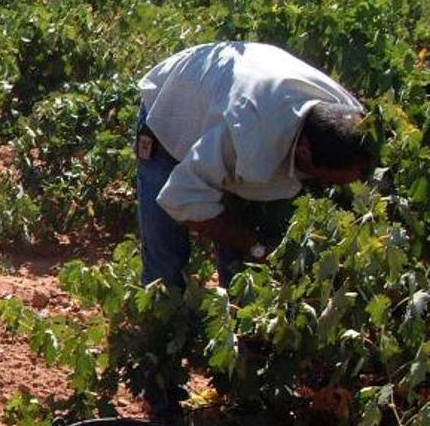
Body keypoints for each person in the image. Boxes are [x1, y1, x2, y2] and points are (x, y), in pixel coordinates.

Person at [136, 41, 375, 291]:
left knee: (242, 223)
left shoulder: (349, 116)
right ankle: (161, 311)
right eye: (331, 180)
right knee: (165, 252)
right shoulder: (247, 134)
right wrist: (255, 245)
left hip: (236, 88)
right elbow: (180, 198)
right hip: (175, 100)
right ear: (304, 154)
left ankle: (235, 303)